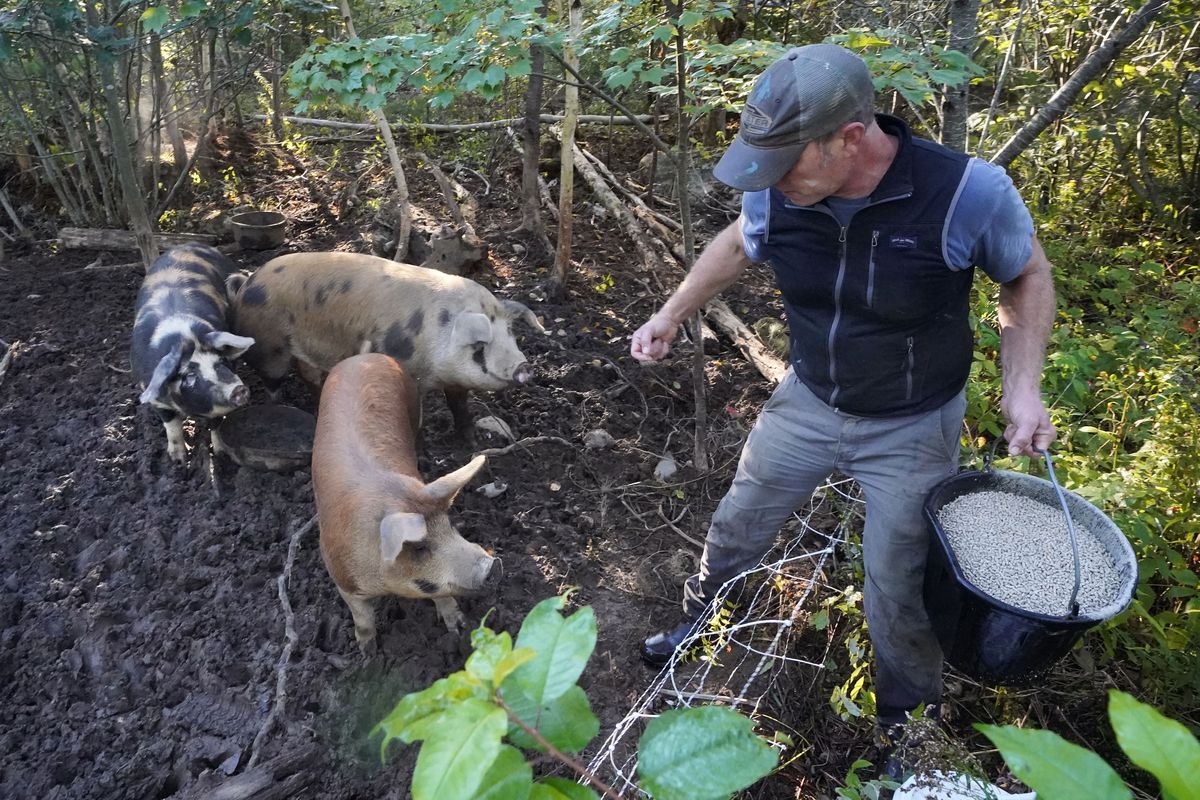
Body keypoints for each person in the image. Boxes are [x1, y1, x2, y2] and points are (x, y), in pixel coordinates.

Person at [629, 43, 1057, 770]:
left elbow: (1025, 276)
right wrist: (673, 313)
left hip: (913, 422)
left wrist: (1024, 386)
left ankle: (907, 727)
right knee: (739, 521)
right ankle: (703, 623)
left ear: (850, 139)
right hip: (809, 399)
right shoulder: (777, 189)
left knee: (897, 585)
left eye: (786, 163)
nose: (768, 183)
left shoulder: (965, 194)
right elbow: (738, 243)